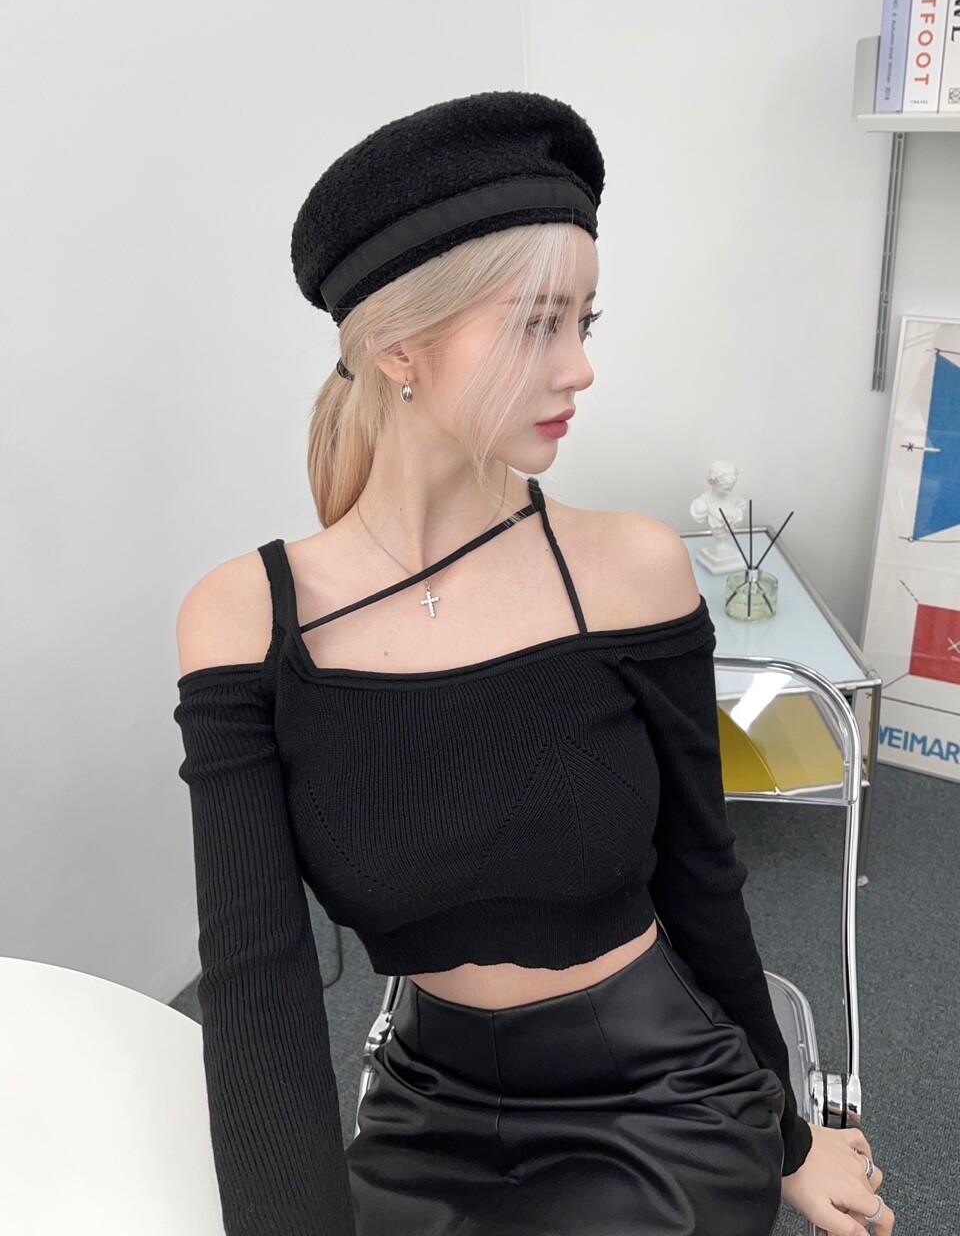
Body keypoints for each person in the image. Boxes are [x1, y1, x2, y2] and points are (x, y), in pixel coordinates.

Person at [173, 91, 892, 1236]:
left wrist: (787, 1133)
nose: (582, 368)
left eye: (584, 324)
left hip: (658, 1092)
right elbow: (257, 979)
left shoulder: (629, 570)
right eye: (536, 326)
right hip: (428, 1104)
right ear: (399, 346)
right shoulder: (245, 619)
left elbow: (702, 878)